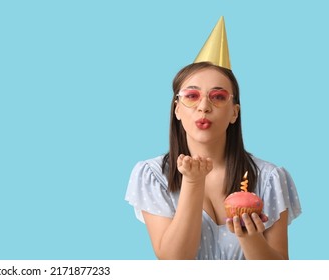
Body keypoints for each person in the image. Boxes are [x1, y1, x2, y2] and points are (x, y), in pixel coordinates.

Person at [124, 17, 302, 260]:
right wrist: (193, 182)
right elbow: (174, 263)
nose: (204, 107)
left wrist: (249, 237)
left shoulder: (270, 179)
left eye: (218, 97)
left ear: (234, 112)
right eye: (192, 95)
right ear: (177, 109)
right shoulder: (152, 175)